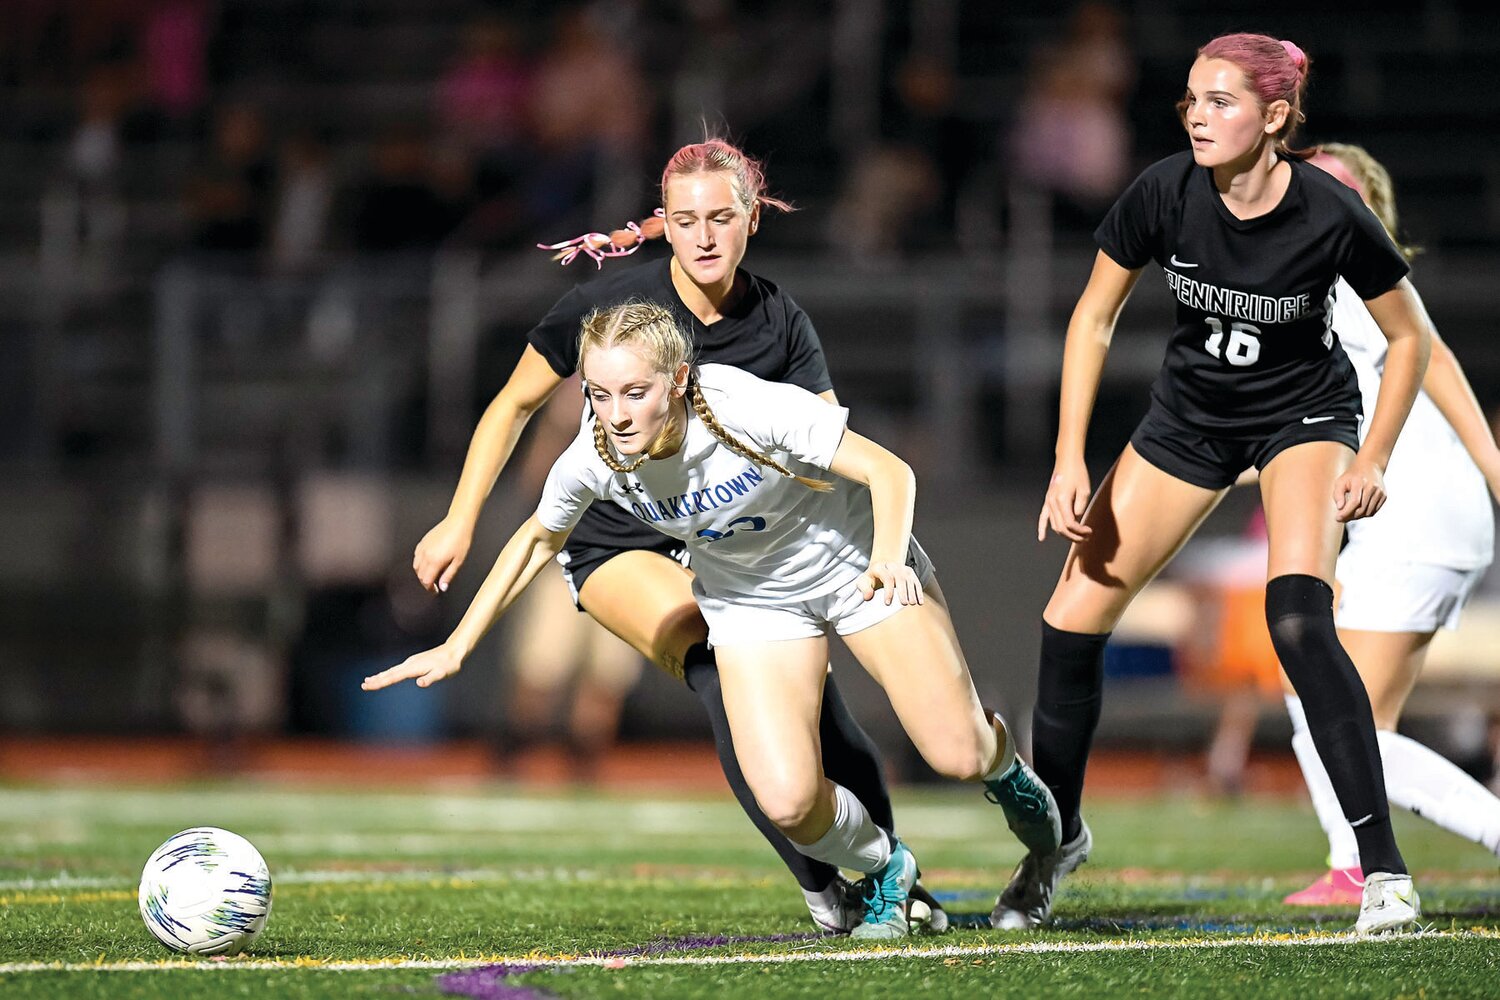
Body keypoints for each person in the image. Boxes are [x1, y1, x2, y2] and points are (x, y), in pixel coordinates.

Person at [367, 301, 1062, 939]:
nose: (616, 414)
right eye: (599, 395)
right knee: (789, 803)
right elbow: (537, 538)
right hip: (752, 602)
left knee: (959, 754)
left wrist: (888, 559)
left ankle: (1022, 794)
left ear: (678, 380)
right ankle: (886, 869)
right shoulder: (599, 453)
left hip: (851, 563)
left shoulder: (744, 408)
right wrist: (459, 644)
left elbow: (892, 473)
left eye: (635, 392)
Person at [409, 138, 944, 933]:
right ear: (664, 222)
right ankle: (820, 883)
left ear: (750, 221)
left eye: (720, 218)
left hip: (734, 536)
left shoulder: (779, 320)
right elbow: (514, 404)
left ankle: (887, 873)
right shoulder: (615, 307)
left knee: (819, 705)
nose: (702, 237)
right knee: (720, 668)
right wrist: (460, 516)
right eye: (685, 219)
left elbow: (826, 458)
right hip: (619, 536)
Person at [1018, 33, 1434, 936]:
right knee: (1068, 622)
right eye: (1193, 102)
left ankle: (1384, 871)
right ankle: (1052, 848)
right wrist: (1067, 455)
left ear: (1276, 117)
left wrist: (1373, 459)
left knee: (1295, 618)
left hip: (1302, 421)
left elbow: (1411, 339)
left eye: (1222, 102)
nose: (1199, 118)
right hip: (1187, 424)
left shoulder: (1328, 211)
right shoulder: (1164, 191)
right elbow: (1093, 317)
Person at [1279, 143, 1500, 904]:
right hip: (1403, 517)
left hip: (1418, 510)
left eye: (1339, 188)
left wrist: (1496, 468)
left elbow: (1433, 359)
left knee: (1344, 719)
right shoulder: (1312, 278)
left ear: (1369, 206)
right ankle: (1350, 860)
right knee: (1311, 689)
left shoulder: (1347, 273)